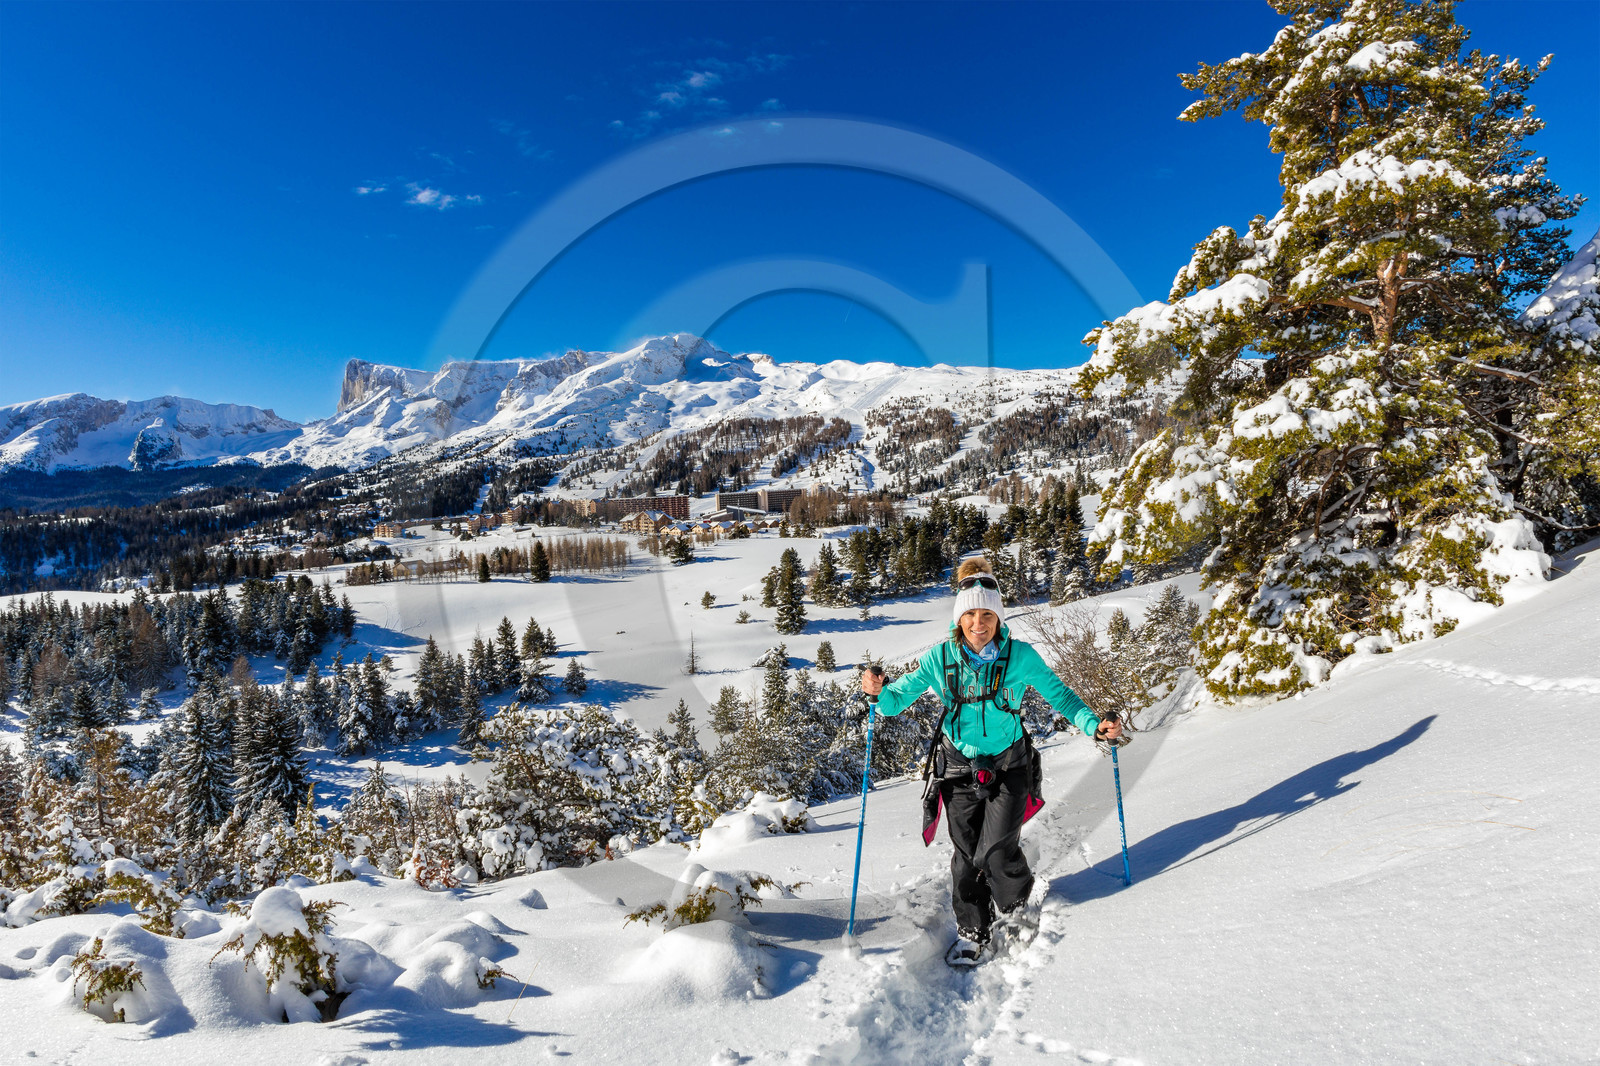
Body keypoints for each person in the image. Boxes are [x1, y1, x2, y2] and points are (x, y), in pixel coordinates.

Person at [860, 556, 1120, 965]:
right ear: (958, 619)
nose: (978, 623)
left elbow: (1062, 696)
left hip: (1009, 764)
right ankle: (972, 930)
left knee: (997, 850)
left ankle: (1014, 907)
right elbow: (893, 702)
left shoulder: (1021, 657)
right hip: (956, 768)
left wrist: (1093, 725)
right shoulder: (939, 659)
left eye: (987, 615)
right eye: (970, 615)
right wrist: (876, 690)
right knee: (966, 856)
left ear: (998, 618)